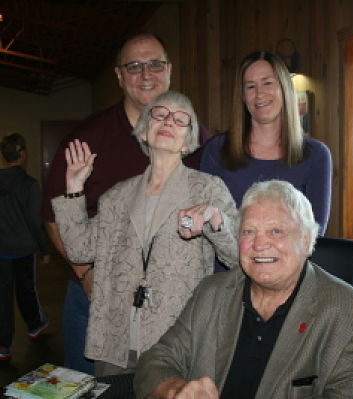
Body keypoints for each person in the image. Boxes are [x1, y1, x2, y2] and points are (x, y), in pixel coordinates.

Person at [41, 32, 210, 373]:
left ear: (170, 70)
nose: (146, 74)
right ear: (119, 76)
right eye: (133, 66)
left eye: (154, 64)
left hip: (172, 307)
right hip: (97, 299)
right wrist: (86, 274)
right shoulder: (86, 140)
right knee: (92, 388)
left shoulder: (198, 140)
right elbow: (53, 215)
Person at [134, 180, 353, 399]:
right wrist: (176, 390)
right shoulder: (211, 292)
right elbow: (155, 361)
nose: (260, 244)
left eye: (276, 231)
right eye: (249, 232)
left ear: (306, 240)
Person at [51, 91, 238, 376]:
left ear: (188, 140)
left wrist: (216, 219)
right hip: (115, 341)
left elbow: (239, 255)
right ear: (144, 131)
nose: (168, 121)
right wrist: (75, 188)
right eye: (159, 114)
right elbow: (79, 250)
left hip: (176, 341)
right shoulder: (117, 196)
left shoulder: (208, 189)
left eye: (180, 119)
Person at [200, 51, 332, 235]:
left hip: (286, 263)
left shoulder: (316, 155)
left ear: (284, 88)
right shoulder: (217, 150)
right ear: (243, 96)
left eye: (267, 83)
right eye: (250, 86)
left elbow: (314, 235)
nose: (259, 94)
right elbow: (204, 222)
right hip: (226, 263)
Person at [0, 133, 49, 361]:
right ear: (23, 154)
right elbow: (34, 220)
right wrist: (44, 248)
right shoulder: (29, 184)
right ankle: (35, 325)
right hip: (22, 249)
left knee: (2, 296)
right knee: (26, 289)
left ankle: (2, 346)